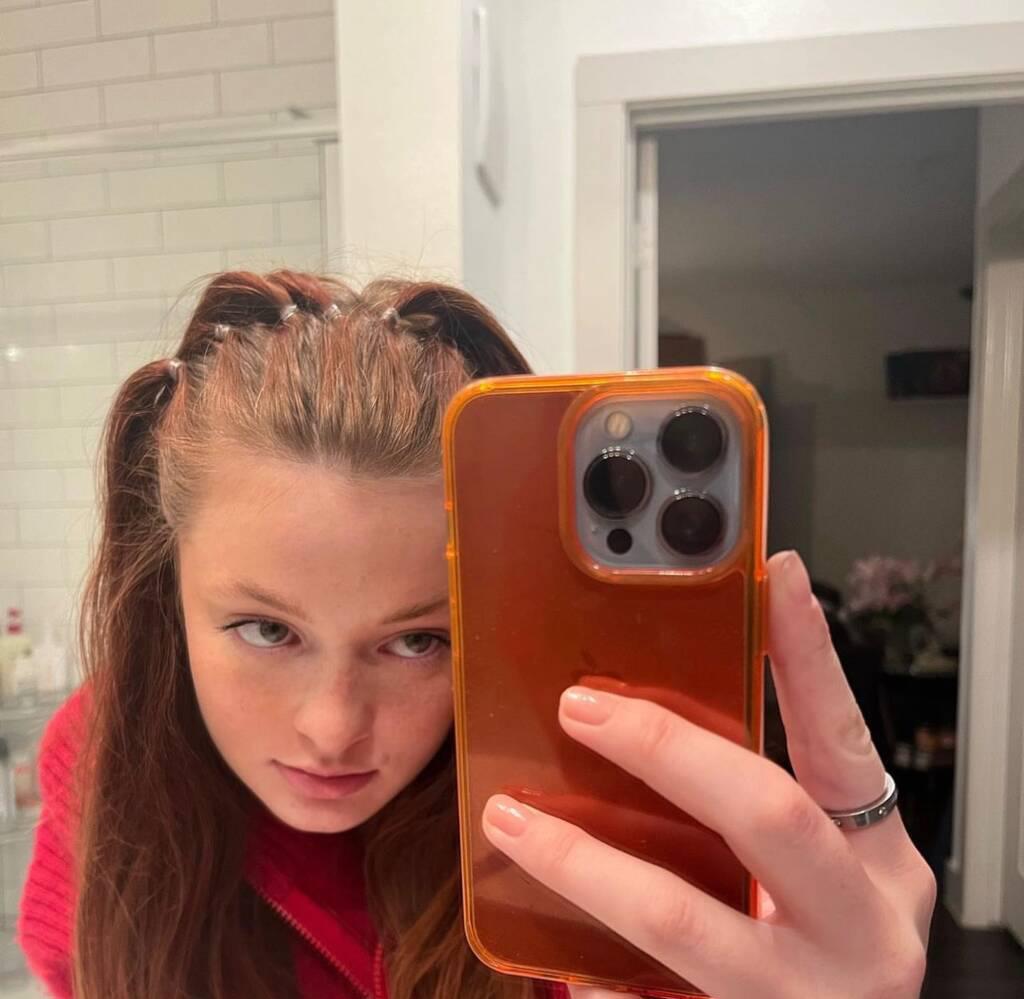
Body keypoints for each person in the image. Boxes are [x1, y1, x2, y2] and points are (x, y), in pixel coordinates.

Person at [18, 270, 936, 999]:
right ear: (167, 594)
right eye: (266, 629)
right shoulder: (100, 778)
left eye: (418, 641)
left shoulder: (584, 835)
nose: (332, 728)